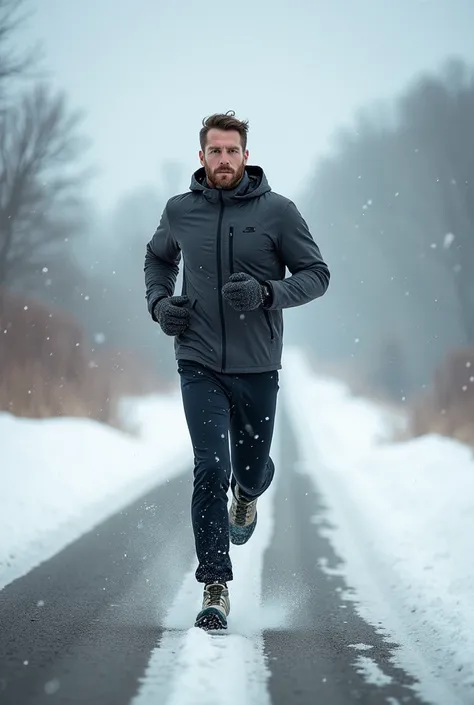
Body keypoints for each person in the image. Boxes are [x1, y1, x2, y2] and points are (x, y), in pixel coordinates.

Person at [144, 111, 330, 630]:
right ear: (200, 156)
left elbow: (317, 275)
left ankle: (248, 494)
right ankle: (215, 585)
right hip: (197, 359)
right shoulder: (179, 211)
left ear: (245, 156)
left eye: (231, 151)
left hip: (257, 366)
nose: (223, 160)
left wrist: (268, 293)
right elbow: (157, 261)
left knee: (246, 473)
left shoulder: (279, 212)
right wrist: (161, 305)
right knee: (210, 468)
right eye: (214, 151)